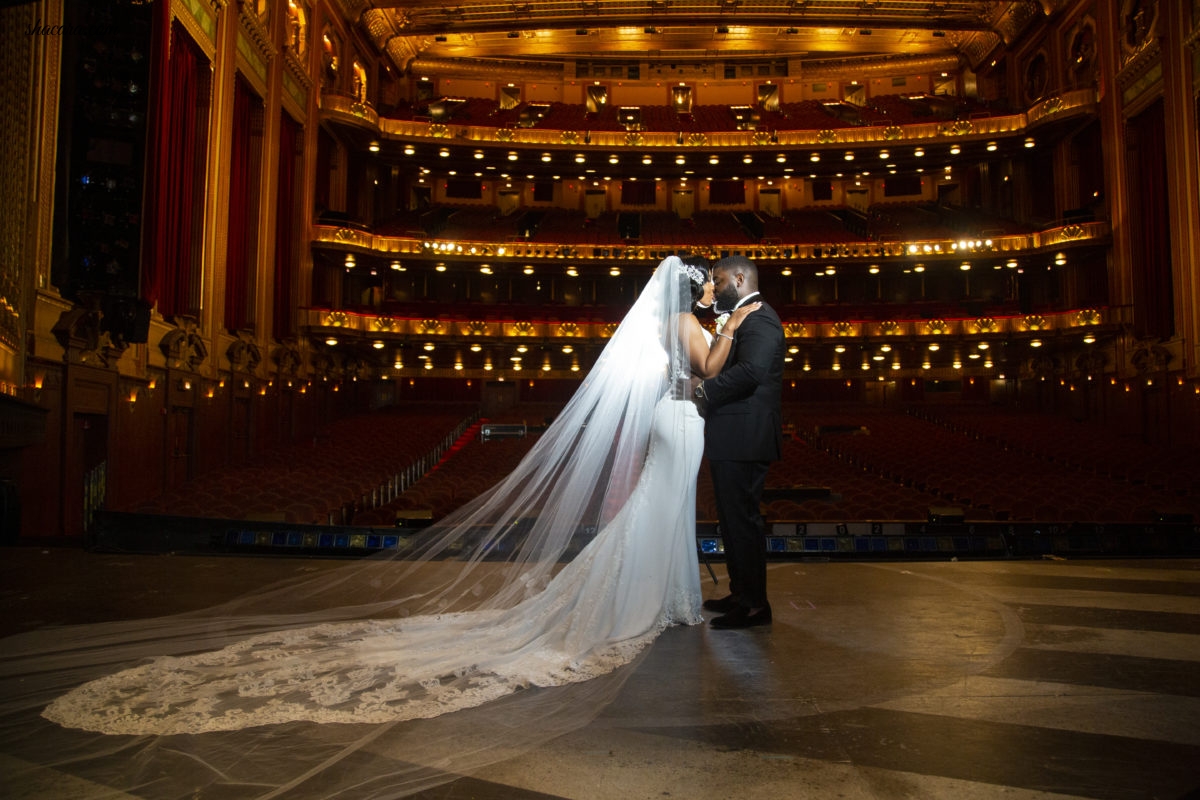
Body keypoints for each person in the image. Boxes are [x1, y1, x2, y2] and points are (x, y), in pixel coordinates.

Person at [10, 258, 757, 768]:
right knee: (667, 509)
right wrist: (729, 329)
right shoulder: (694, 329)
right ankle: (664, 599)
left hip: (674, 423)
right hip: (681, 420)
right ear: (689, 296)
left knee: (661, 510)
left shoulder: (660, 328)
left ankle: (665, 596)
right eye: (705, 292)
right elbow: (711, 370)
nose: (710, 296)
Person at [691, 255, 785, 629]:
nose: (714, 287)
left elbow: (752, 371)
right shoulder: (742, 316)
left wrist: (704, 391)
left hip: (745, 435)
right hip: (735, 433)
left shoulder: (759, 316)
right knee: (731, 521)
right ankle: (740, 592)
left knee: (742, 522)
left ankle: (754, 605)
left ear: (740, 278)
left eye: (719, 279)